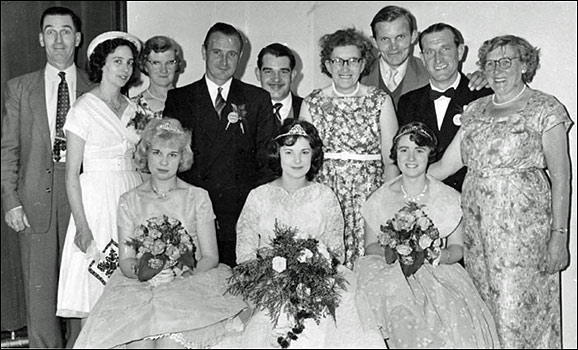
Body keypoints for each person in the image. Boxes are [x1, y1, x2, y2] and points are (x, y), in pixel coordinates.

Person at [429, 35, 572, 349]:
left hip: (524, 237)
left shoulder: (545, 107)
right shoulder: (475, 109)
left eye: (507, 61)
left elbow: (561, 176)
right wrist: (403, 184)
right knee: (483, 317)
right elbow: (445, 167)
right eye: (490, 63)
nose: (497, 69)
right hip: (476, 234)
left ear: (524, 64)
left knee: (518, 319)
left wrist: (559, 235)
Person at [73, 119, 247, 348]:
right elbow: (126, 260)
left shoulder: (198, 197)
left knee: (170, 342)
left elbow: (210, 256)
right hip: (140, 285)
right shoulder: (129, 200)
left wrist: (183, 273)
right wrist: (147, 274)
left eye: (172, 154)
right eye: (157, 152)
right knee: (137, 342)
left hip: (190, 282)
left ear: (182, 158)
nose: (164, 161)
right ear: (146, 154)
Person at [216, 119, 385, 348]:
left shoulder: (325, 196)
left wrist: (312, 275)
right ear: (278, 154)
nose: (297, 160)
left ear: (313, 156)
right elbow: (245, 252)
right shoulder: (258, 196)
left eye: (305, 152)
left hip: (318, 285)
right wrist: (268, 280)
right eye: (289, 152)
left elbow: (336, 252)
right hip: (268, 285)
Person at [356, 122, 499, 348]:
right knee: (397, 310)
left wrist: (432, 255)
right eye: (404, 150)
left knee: (449, 318)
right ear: (395, 155)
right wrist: (397, 251)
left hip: (437, 271)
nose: (411, 157)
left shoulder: (449, 197)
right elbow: (370, 247)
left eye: (419, 150)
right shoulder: (379, 197)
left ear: (429, 155)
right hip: (390, 272)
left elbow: (456, 248)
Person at [0, 6, 93, 348]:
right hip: (34, 203)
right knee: (40, 302)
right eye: (50, 32)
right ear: (40, 38)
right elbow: (7, 150)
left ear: (78, 38)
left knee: (80, 294)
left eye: (66, 31)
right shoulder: (19, 89)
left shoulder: (94, 88)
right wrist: (11, 201)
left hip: (81, 204)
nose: (58, 39)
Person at [164, 22, 278, 268]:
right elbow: (170, 158)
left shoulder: (257, 99)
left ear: (241, 57)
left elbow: (268, 161)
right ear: (204, 52)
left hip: (239, 213)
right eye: (217, 52)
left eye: (232, 54)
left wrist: (252, 210)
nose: (224, 61)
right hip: (192, 212)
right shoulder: (179, 99)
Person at [56, 31, 144, 347]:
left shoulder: (135, 109)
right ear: (101, 64)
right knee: (94, 292)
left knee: (129, 293)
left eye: (130, 63)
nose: (124, 69)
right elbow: (71, 174)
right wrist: (81, 225)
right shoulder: (83, 109)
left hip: (129, 199)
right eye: (117, 61)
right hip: (96, 203)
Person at [300, 28, 398, 268]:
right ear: (328, 64)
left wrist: (384, 207)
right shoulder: (312, 103)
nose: (345, 67)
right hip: (326, 196)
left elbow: (391, 160)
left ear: (363, 64)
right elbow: (303, 162)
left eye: (353, 60)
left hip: (370, 195)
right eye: (338, 61)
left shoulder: (380, 100)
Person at [397, 23, 492, 192]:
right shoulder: (408, 102)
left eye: (445, 49)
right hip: (424, 200)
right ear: (422, 57)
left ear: (460, 51)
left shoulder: (484, 96)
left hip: (473, 198)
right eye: (430, 52)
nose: (438, 59)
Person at [362, 5, 487, 109]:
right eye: (385, 39)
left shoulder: (433, 70)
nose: (393, 47)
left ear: (414, 36)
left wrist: (484, 78)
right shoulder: (359, 76)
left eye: (400, 37)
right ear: (374, 42)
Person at [131, 35, 184, 118]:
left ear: (177, 65)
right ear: (145, 66)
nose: (164, 70)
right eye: (156, 63)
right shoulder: (133, 107)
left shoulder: (190, 102)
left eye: (170, 62)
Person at [255, 42, 303, 122]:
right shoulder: (248, 109)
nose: (276, 79)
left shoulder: (307, 109)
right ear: (258, 74)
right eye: (269, 72)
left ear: (293, 75)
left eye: (283, 72)